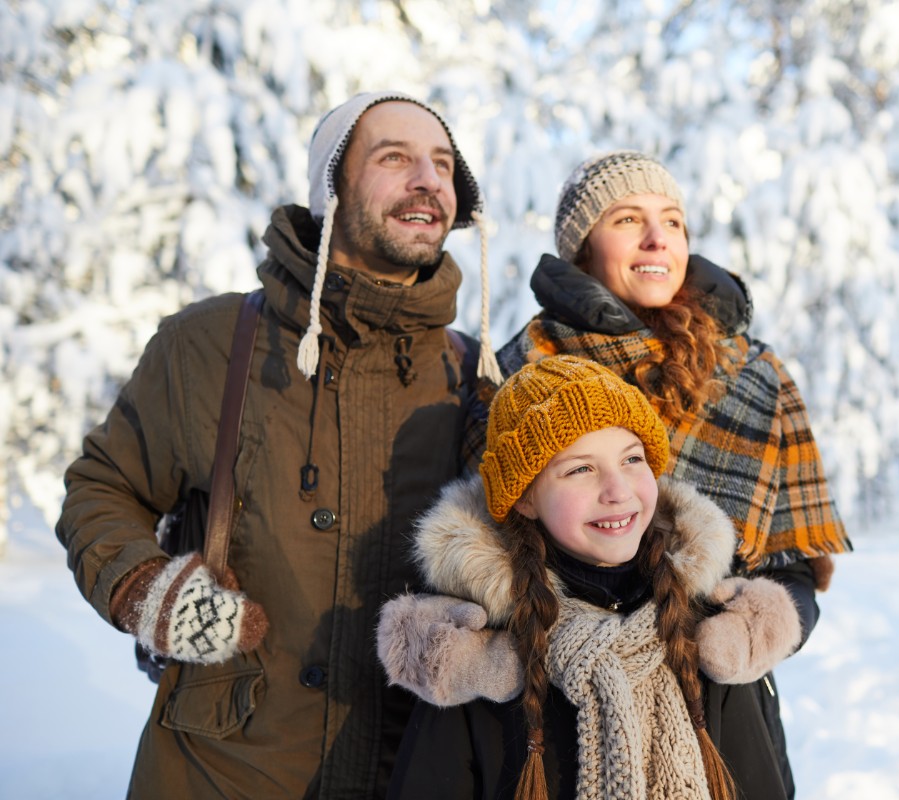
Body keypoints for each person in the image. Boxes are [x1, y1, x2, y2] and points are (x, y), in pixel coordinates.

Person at [54, 91, 498, 798]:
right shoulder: (210, 345)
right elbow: (101, 488)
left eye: (443, 165)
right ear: (331, 189)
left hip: (409, 775)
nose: (428, 180)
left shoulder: (472, 374)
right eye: (395, 158)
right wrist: (148, 591)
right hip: (219, 771)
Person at [484, 150, 852, 794]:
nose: (658, 238)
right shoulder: (522, 370)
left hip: (718, 712)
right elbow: (485, 537)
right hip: (560, 707)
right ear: (582, 248)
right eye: (628, 219)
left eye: (673, 221)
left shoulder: (752, 377)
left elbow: (793, 572)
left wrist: (750, 634)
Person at [377, 355, 802, 798]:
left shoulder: (709, 635)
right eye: (581, 469)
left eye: (632, 459)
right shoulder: (478, 657)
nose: (618, 491)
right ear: (524, 498)